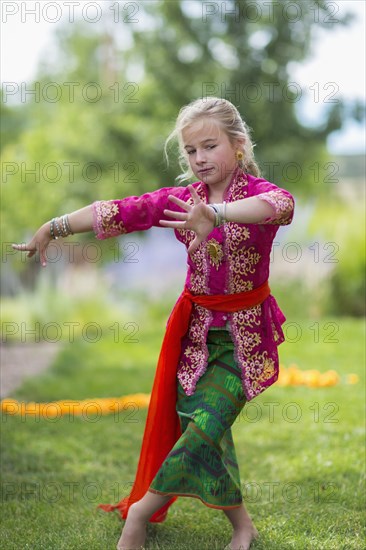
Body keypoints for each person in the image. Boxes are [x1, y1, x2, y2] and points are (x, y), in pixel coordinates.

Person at [13, 97, 294, 550]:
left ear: (237, 146)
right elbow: (119, 211)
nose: (199, 158)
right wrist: (55, 225)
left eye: (209, 146)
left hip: (245, 342)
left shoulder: (261, 194)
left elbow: (278, 206)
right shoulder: (180, 201)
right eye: (190, 151)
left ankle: (139, 515)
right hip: (196, 340)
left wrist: (216, 215)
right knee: (209, 436)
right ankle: (243, 526)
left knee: (205, 427)